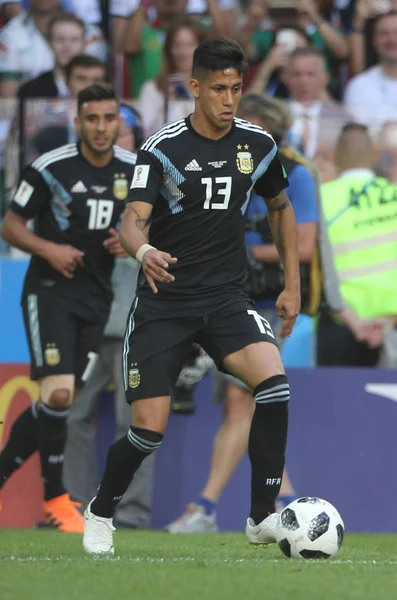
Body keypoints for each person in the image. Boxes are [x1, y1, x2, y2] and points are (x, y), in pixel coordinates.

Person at [83, 37, 301, 555]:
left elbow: (281, 207)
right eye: (219, 89)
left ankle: (259, 517)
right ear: (195, 87)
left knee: (274, 387)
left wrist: (292, 284)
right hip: (165, 301)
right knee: (147, 432)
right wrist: (142, 253)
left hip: (227, 297)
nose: (229, 100)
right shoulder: (162, 148)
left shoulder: (258, 144)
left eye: (236, 89)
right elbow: (131, 220)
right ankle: (100, 511)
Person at [165, 93, 319, 533]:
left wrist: (250, 256)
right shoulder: (224, 166)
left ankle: (205, 508)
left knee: (242, 400)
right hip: (226, 297)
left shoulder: (296, 174)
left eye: (247, 127)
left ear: (268, 130)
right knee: (252, 403)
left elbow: (302, 245)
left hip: (265, 303)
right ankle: (286, 502)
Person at [0, 83, 136, 533]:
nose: (101, 128)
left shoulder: (133, 171)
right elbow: (11, 225)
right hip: (50, 291)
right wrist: (50, 249)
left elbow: (149, 222)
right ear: (78, 122)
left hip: (99, 298)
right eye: (92, 119)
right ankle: (57, 501)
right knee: (58, 395)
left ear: (120, 122)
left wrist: (130, 242)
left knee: (56, 403)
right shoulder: (50, 167)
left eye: (108, 119)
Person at [317, 122, 397, 366]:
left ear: (336, 155)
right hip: (391, 320)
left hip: (342, 320)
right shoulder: (394, 195)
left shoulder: (322, 197)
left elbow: (314, 265)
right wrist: (388, 320)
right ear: (374, 155)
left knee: (339, 402)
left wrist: (353, 319)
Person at [136, 15, 207, 137]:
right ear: (169, 49)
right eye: (177, 45)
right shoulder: (152, 89)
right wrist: (166, 105)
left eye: (190, 45)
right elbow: (143, 134)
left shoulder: (213, 88)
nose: (183, 51)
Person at [344, 11, 397, 135]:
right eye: (384, 33)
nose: (391, 39)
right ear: (374, 40)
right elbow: (356, 138)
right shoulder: (359, 86)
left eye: (396, 32)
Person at [17, 13, 86, 101]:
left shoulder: (97, 90)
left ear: (84, 44)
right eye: (60, 39)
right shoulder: (30, 90)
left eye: (74, 40)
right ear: (49, 43)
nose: (67, 47)